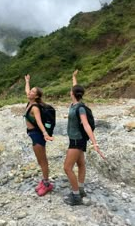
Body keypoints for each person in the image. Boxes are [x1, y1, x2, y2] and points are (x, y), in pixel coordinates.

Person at [63, 70, 105, 206]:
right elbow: (75, 87)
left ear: (73, 94)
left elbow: (86, 125)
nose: (70, 92)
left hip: (76, 140)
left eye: (71, 91)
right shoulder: (76, 103)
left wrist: (95, 144)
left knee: (67, 168)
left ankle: (76, 196)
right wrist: (74, 77)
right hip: (77, 139)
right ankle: (80, 190)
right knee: (81, 164)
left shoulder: (80, 108)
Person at [23, 74, 54, 196]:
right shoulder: (30, 101)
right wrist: (27, 81)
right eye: (30, 91)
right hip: (33, 134)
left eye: (32, 92)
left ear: (36, 96)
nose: (29, 92)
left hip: (37, 135)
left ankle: (47, 184)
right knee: (40, 160)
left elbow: (40, 122)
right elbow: (26, 91)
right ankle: (44, 181)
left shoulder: (35, 107)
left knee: (43, 161)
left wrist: (45, 133)